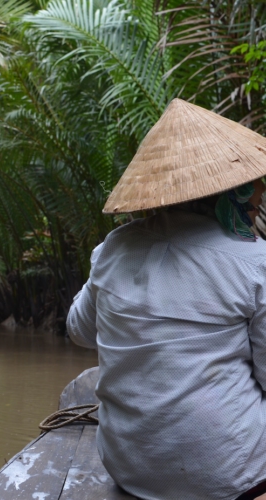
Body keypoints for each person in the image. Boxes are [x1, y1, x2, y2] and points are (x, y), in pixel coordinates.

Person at [66, 98, 266, 500]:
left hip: (129, 470)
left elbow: (79, 331)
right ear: (233, 191)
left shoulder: (113, 248)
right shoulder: (254, 263)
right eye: (255, 187)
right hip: (227, 478)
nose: (260, 194)